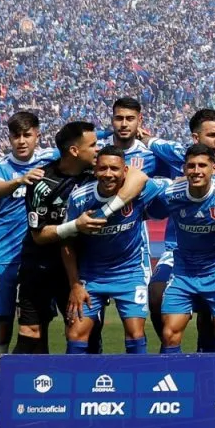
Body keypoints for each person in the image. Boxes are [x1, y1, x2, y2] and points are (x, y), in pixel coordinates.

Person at [19, 121, 147, 361]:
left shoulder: (95, 174)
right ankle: (33, 385)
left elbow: (138, 176)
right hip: (40, 265)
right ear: (74, 151)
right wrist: (75, 225)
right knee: (31, 334)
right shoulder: (41, 182)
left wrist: (106, 210)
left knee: (85, 333)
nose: (98, 149)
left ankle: (88, 383)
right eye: (93, 145)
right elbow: (39, 235)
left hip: (79, 267)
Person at [145, 108, 215, 352]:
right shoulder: (176, 158)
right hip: (177, 250)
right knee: (156, 294)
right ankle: (168, 354)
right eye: (212, 135)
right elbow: (144, 139)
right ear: (196, 138)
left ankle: (207, 357)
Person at [0, 111, 56, 428]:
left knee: (39, 330)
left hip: (38, 259)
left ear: (37, 135)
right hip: (2, 260)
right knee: (0, 333)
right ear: (9, 138)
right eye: (16, 136)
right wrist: (19, 181)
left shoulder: (51, 158)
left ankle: (42, 402)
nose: (21, 141)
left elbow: (81, 147)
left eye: (27, 135)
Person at [60, 146, 167, 354]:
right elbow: (66, 243)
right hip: (91, 276)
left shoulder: (141, 190)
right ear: (95, 170)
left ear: (125, 171)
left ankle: (138, 375)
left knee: (135, 333)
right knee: (75, 334)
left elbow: (173, 185)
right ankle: (75, 376)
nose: (108, 174)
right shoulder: (80, 198)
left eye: (114, 169)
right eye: (103, 168)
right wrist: (75, 284)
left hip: (130, 273)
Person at [88, 96, 159, 354]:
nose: (124, 124)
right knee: (88, 326)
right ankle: (89, 371)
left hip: (132, 248)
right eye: (119, 118)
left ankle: (139, 375)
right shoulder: (97, 154)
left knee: (136, 327)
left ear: (140, 121)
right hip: (93, 250)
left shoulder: (150, 155)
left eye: (130, 119)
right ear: (112, 120)